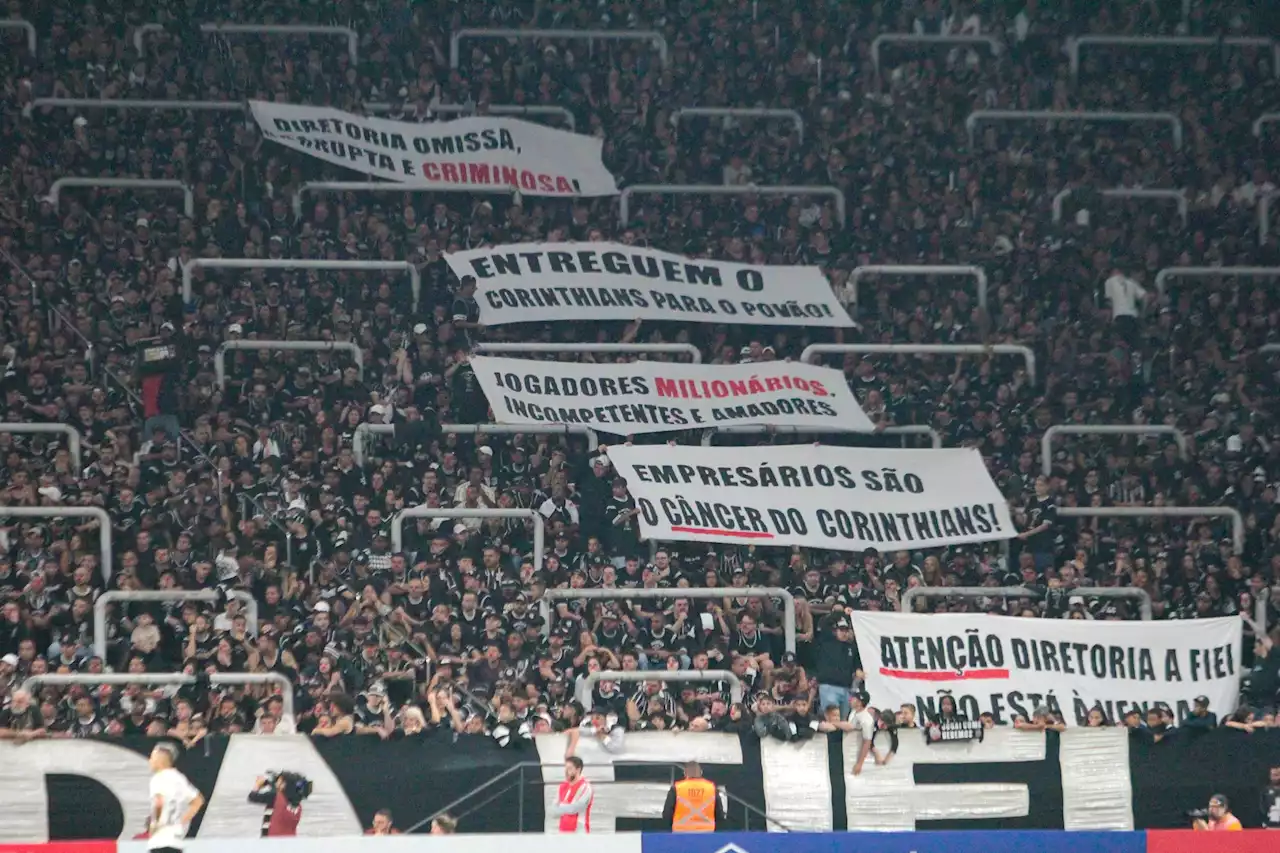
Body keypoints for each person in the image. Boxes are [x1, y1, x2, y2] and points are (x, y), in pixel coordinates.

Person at [147, 742, 205, 853]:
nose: (150, 761)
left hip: (160, 840)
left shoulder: (158, 778)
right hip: (176, 840)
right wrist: (182, 821)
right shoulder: (179, 778)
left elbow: (159, 802)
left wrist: (155, 825)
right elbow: (198, 800)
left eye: (152, 757)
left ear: (161, 760)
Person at [662, 761, 726, 833]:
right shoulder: (712, 788)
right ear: (701, 773)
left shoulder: (677, 788)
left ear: (685, 773)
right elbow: (720, 815)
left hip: (681, 834)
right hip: (707, 834)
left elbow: (667, 814)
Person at [247, 772, 309, 836]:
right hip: (291, 840)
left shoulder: (274, 797)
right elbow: (279, 790)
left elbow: (252, 796)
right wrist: (268, 783)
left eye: (279, 781)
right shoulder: (298, 804)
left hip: (272, 840)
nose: (277, 783)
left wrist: (258, 785)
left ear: (284, 785)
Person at [554, 755, 593, 834]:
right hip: (563, 831)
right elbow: (554, 810)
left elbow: (575, 808)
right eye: (566, 768)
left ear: (578, 770)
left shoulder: (585, 787)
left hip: (579, 831)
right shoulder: (562, 786)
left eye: (570, 769)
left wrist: (560, 806)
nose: (566, 772)